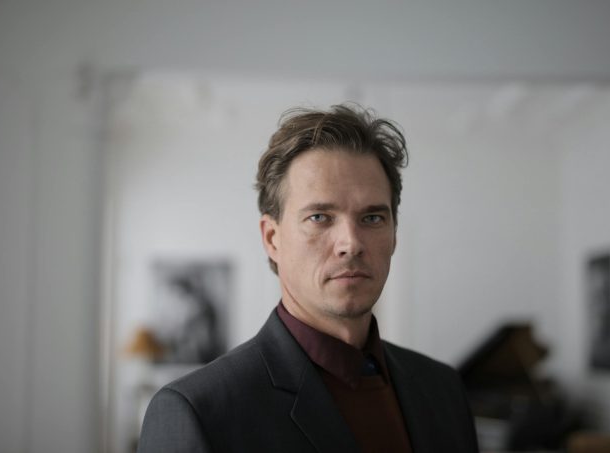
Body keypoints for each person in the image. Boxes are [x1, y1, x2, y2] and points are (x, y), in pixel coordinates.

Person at [137, 104, 479, 452]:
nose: (351, 243)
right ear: (272, 238)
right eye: (319, 217)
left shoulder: (443, 389)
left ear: (394, 235)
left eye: (373, 218)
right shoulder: (198, 410)